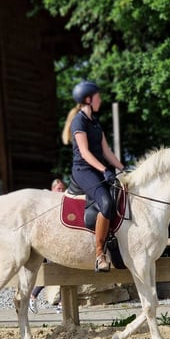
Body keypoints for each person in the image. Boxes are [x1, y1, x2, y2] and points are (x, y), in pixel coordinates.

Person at [62, 80, 125, 272]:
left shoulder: (95, 122)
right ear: (88, 99)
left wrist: (123, 169)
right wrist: (105, 170)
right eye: (98, 97)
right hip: (83, 170)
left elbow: (106, 151)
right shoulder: (78, 121)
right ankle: (100, 255)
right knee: (106, 203)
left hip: (98, 169)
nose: (101, 100)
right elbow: (85, 152)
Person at [29, 178, 66, 314]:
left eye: (62, 189)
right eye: (58, 189)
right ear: (52, 189)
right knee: (54, 273)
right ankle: (33, 296)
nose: (61, 191)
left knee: (64, 273)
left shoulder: (64, 202)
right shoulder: (47, 203)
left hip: (63, 243)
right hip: (51, 244)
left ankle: (62, 304)